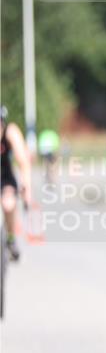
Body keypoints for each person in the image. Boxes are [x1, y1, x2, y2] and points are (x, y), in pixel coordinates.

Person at [1, 107, 32, 262]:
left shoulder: (11, 133)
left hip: (5, 177)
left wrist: (26, 190)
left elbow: (23, 163)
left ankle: (11, 239)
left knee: (8, 204)